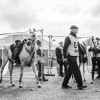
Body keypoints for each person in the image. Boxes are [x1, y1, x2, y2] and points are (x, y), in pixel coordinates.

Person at [62, 25, 87, 90]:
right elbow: (64, 48)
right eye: (76, 29)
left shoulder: (75, 38)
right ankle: (80, 85)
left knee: (69, 71)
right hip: (70, 56)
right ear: (72, 29)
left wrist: (84, 53)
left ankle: (64, 84)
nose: (77, 30)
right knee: (76, 70)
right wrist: (65, 57)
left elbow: (78, 47)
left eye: (77, 29)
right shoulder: (68, 37)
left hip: (74, 56)